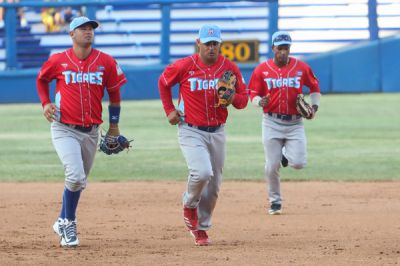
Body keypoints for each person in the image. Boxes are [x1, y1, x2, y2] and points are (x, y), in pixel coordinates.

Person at [36, 16, 127, 247]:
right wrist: (45, 103)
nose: (88, 32)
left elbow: (115, 95)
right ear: (72, 34)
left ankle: (61, 219)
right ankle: (68, 222)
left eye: (91, 29)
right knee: (75, 176)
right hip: (63, 127)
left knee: (79, 181)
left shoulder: (106, 62)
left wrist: (114, 126)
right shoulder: (58, 60)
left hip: (92, 131)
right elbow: (41, 80)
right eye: (83, 28)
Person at [158, 24, 248, 246]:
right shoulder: (185, 66)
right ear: (198, 43)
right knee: (202, 172)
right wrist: (169, 109)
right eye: (207, 43)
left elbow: (243, 102)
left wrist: (232, 96)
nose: (211, 47)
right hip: (190, 129)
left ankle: (201, 228)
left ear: (220, 44)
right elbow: (163, 82)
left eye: (215, 43)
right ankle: (189, 205)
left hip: (217, 131)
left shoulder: (230, 69)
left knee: (214, 186)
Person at [248, 31, 321, 215]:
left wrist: (314, 107)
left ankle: (285, 156)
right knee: (271, 166)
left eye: (286, 48)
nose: (283, 52)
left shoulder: (301, 67)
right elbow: (252, 94)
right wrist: (259, 102)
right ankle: (275, 202)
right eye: (279, 48)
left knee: (299, 163)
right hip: (271, 122)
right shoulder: (261, 70)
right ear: (273, 48)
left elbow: (314, 87)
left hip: (295, 123)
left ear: (289, 49)